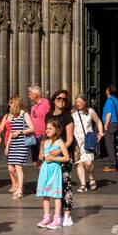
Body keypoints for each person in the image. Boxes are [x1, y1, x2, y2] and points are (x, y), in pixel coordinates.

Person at [47, 90, 75, 224]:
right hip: (50, 155)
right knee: (55, 185)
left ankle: (68, 215)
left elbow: (69, 140)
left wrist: (58, 150)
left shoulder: (67, 116)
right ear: (54, 99)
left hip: (63, 155)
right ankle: (57, 214)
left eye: (64, 99)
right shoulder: (48, 115)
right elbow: (46, 135)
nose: (61, 101)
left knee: (65, 184)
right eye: (59, 98)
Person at [36, 119, 70, 229]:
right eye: (46, 128)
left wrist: (54, 158)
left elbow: (66, 158)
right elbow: (40, 155)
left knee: (56, 195)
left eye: (50, 128)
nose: (48, 130)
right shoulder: (44, 141)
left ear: (57, 130)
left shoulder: (60, 142)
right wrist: (41, 157)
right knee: (45, 194)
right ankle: (46, 217)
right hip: (45, 169)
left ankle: (57, 219)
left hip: (55, 169)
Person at [0, 96, 33, 198]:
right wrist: (7, 145)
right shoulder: (13, 116)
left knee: (18, 167)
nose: (9, 104)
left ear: (16, 103)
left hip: (22, 144)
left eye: (11, 102)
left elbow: (32, 128)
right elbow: (11, 132)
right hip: (13, 144)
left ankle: (20, 191)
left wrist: (20, 132)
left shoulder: (25, 114)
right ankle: (19, 185)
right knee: (10, 168)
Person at [71, 93, 103, 192]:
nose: (78, 103)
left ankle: (91, 177)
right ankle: (83, 184)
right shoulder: (73, 113)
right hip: (76, 141)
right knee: (79, 163)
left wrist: (100, 133)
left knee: (88, 163)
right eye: (77, 102)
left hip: (87, 140)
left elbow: (98, 121)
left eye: (80, 101)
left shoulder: (90, 111)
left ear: (85, 102)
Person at [27, 84, 52, 163]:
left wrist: (47, 134)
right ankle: (40, 175)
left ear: (35, 95)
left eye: (30, 94)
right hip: (33, 137)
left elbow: (50, 119)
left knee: (44, 159)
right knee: (37, 160)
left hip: (43, 136)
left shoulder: (45, 103)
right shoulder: (33, 105)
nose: (28, 96)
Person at [102, 84, 118, 170]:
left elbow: (109, 114)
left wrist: (105, 125)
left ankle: (113, 165)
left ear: (109, 91)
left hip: (110, 124)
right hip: (116, 123)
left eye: (107, 89)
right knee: (112, 145)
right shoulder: (117, 101)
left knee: (109, 145)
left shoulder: (109, 101)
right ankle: (115, 163)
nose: (105, 90)